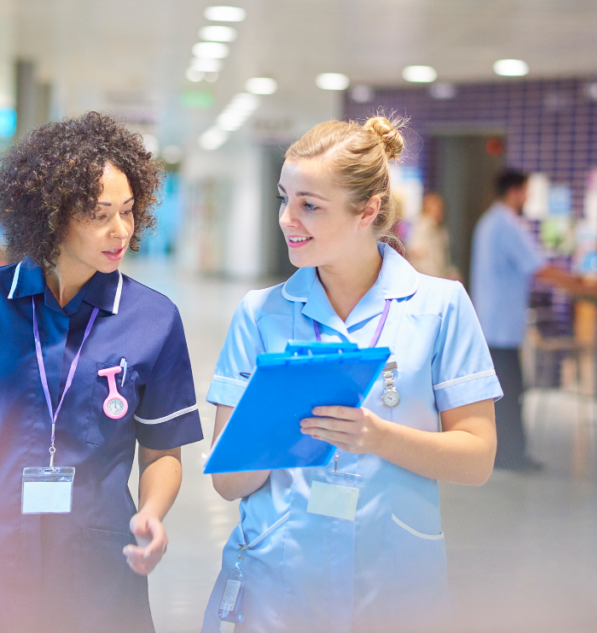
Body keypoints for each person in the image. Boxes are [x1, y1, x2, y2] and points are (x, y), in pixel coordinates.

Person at [0, 112, 204, 633]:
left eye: (127, 211)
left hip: (101, 568)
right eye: (101, 215)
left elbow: (163, 449)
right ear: (52, 215)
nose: (120, 230)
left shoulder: (153, 319)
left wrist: (152, 511)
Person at [202, 117, 502, 633]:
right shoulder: (260, 314)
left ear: (368, 210)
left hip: (394, 585)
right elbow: (228, 482)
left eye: (309, 205)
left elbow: (477, 458)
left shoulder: (441, 307)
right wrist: (272, 423)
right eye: (284, 198)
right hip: (277, 583)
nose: (287, 219)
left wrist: (379, 437)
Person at [470, 168, 582, 471]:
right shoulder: (507, 225)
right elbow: (539, 268)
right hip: (501, 328)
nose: (529, 197)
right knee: (510, 394)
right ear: (515, 192)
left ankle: (504, 454)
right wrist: (580, 282)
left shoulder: (490, 221)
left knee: (504, 394)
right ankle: (510, 456)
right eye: (527, 190)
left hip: (492, 323)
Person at [408, 192, 460, 280]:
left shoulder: (441, 231)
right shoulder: (422, 227)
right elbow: (417, 254)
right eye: (436, 207)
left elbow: (445, 259)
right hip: (427, 278)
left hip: (439, 278)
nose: (439, 210)